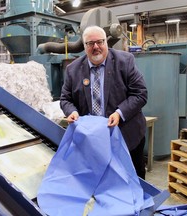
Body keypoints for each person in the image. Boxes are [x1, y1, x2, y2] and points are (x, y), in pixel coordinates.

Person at [60, 25, 148, 179]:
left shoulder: (125, 61)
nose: (96, 47)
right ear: (84, 46)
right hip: (93, 141)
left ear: (106, 42)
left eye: (100, 42)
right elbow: (65, 98)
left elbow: (140, 94)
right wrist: (72, 111)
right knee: (103, 182)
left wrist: (119, 113)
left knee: (134, 180)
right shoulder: (73, 70)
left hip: (126, 136)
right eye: (90, 43)